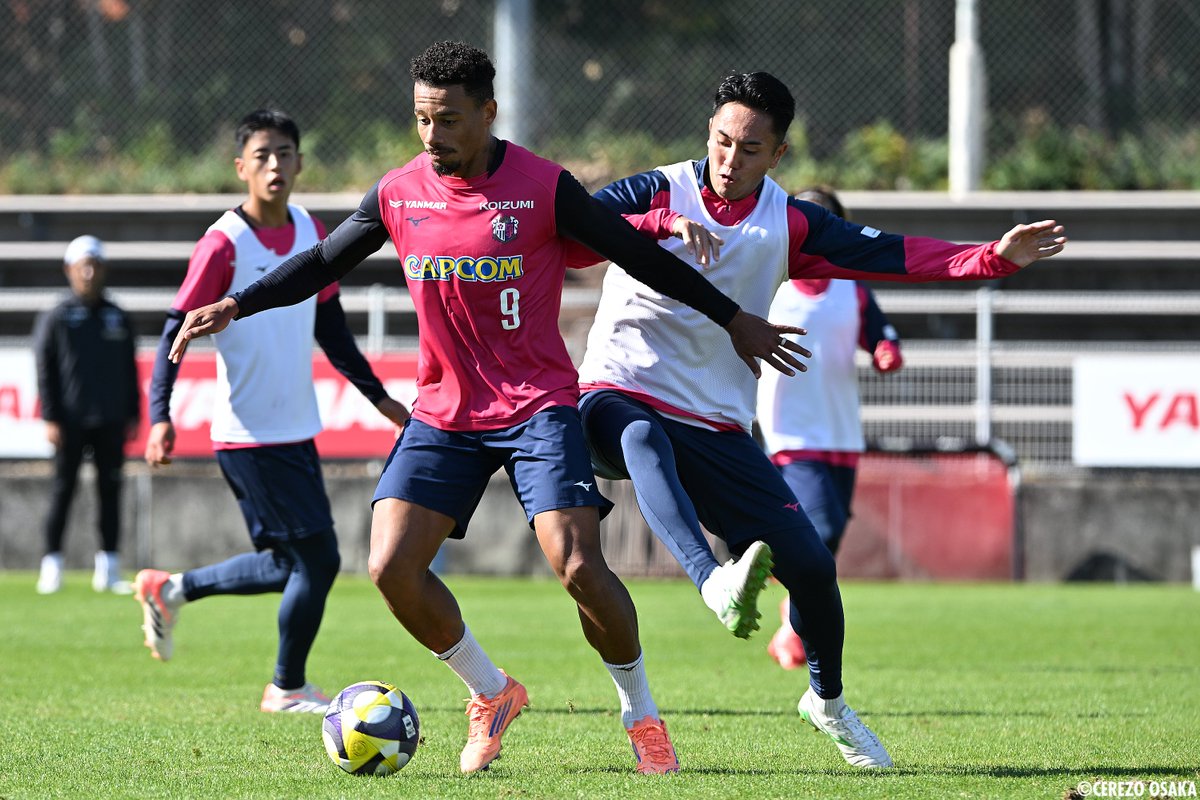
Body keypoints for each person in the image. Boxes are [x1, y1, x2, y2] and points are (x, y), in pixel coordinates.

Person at [165, 42, 805, 775]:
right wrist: (238, 303)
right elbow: (322, 263)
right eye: (421, 120)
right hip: (445, 411)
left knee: (578, 568)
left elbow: (639, 256)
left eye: (448, 121)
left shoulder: (542, 187)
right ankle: (491, 691)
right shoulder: (400, 192)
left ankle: (643, 716)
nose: (432, 137)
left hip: (538, 405)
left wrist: (732, 318)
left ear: (488, 113)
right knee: (390, 567)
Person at [573, 72, 1066, 769]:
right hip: (616, 389)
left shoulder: (791, 223)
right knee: (639, 433)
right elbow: (577, 220)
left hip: (714, 419)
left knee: (811, 567)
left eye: (749, 148)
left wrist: (990, 257)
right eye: (721, 140)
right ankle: (712, 582)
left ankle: (827, 703)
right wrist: (659, 223)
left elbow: (893, 253)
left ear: (777, 155)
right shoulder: (659, 188)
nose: (729, 159)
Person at [133, 109, 409, 715]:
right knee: (320, 559)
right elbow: (175, 328)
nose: (275, 165)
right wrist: (160, 414)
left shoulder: (312, 228)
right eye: (262, 156)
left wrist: (380, 398)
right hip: (249, 434)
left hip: (296, 428)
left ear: (301, 162)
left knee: (290, 563)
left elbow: (332, 329)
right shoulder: (223, 242)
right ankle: (286, 688)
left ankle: (170, 588)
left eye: (285, 153)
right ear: (241, 168)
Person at [757, 186, 904, 670]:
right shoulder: (769, 282)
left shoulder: (853, 287)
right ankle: (798, 633)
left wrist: (885, 352)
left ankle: (789, 621)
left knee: (829, 537)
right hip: (788, 431)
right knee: (820, 529)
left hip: (841, 430)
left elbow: (880, 335)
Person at [32, 235, 140, 595]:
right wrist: (51, 416)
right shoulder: (57, 317)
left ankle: (108, 567)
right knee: (63, 491)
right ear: (70, 270)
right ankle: (52, 564)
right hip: (70, 421)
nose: (89, 272)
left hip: (110, 419)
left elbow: (129, 368)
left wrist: (133, 413)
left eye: (95, 265)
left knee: (110, 491)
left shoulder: (117, 315)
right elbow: (45, 370)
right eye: (83, 266)